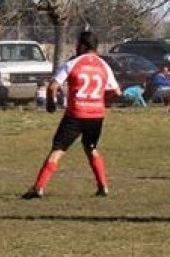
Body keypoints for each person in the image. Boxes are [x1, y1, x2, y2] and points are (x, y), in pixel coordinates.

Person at [22, 31, 121, 199]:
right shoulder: (104, 65)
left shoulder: (73, 63)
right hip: (96, 115)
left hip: (76, 113)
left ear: (82, 45)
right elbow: (117, 92)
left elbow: (52, 87)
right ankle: (103, 186)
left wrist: (51, 104)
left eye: (77, 44)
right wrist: (101, 101)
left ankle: (38, 187)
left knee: (58, 149)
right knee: (91, 148)